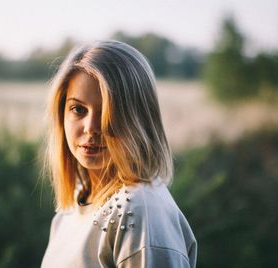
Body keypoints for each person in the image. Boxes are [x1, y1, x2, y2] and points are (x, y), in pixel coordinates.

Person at [41, 40, 197, 268]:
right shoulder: (73, 205)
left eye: (108, 111)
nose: (92, 127)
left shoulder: (140, 212)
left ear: (138, 118)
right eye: (78, 109)